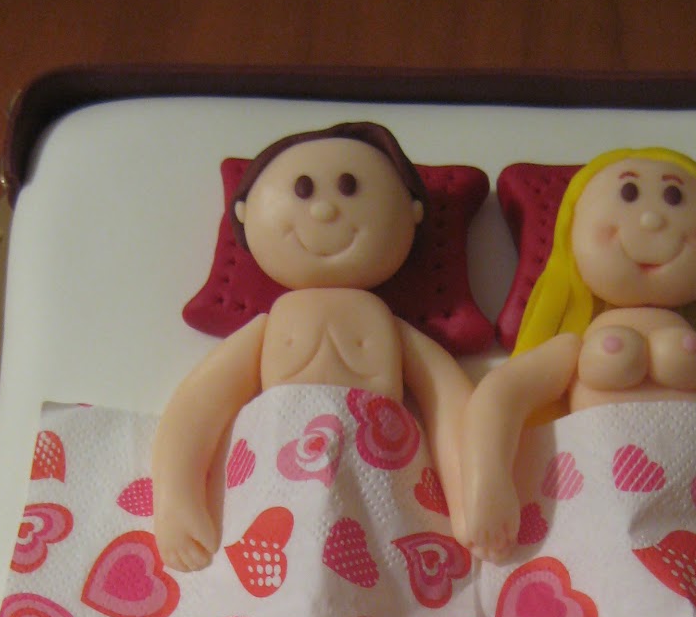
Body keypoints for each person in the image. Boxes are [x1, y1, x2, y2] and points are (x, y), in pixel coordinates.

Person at [459, 147, 696, 579]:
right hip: (595, 516)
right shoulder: (573, 348)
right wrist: (488, 484)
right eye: (629, 194)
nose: (652, 219)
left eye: (674, 198)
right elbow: (501, 396)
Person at [153, 122, 470, 571]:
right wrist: (176, 500)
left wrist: (471, 495)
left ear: (413, 213)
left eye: (349, 188)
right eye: (302, 191)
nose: (324, 210)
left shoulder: (390, 328)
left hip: (381, 484)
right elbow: (198, 407)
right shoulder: (268, 328)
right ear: (244, 213)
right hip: (277, 487)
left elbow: (450, 404)